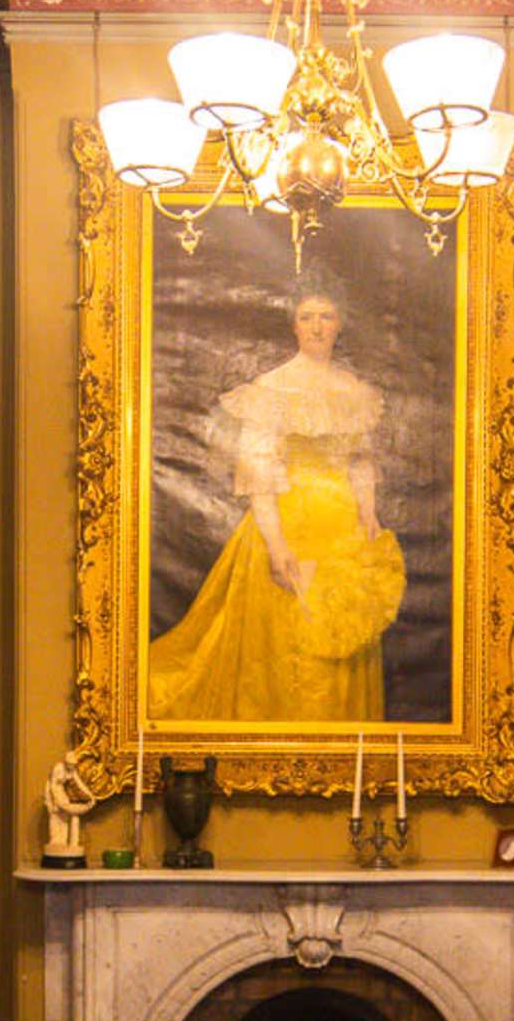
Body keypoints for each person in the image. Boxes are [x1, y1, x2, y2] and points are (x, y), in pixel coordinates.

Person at [144, 285, 404, 723]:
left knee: (341, 635)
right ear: (294, 326)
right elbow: (260, 476)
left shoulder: (353, 389)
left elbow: (361, 459)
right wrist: (278, 546)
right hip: (287, 524)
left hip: (342, 532)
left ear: (339, 324)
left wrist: (369, 511)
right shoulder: (272, 389)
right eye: (307, 317)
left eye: (325, 316)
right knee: (290, 646)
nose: (317, 326)